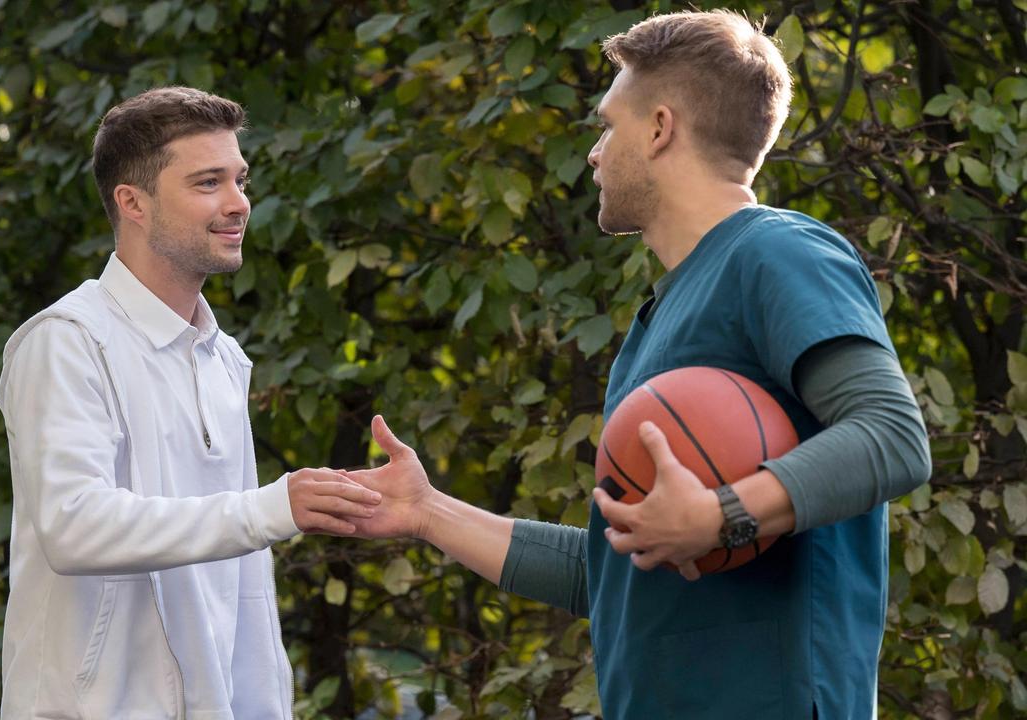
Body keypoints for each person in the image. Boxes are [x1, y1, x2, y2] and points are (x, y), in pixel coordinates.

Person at [343, 11, 931, 719]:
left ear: (659, 128)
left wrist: (721, 515)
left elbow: (894, 435)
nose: (594, 153)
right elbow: (620, 571)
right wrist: (426, 513)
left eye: (606, 125)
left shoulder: (777, 253)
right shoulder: (664, 319)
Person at [0, 86, 381, 719]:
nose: (238, 205)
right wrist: (270, 508)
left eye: (240, 180)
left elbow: (243, 590)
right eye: (208, 183)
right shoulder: (64, 342)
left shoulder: (224, 357)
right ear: (133, 202)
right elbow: (72, 527)